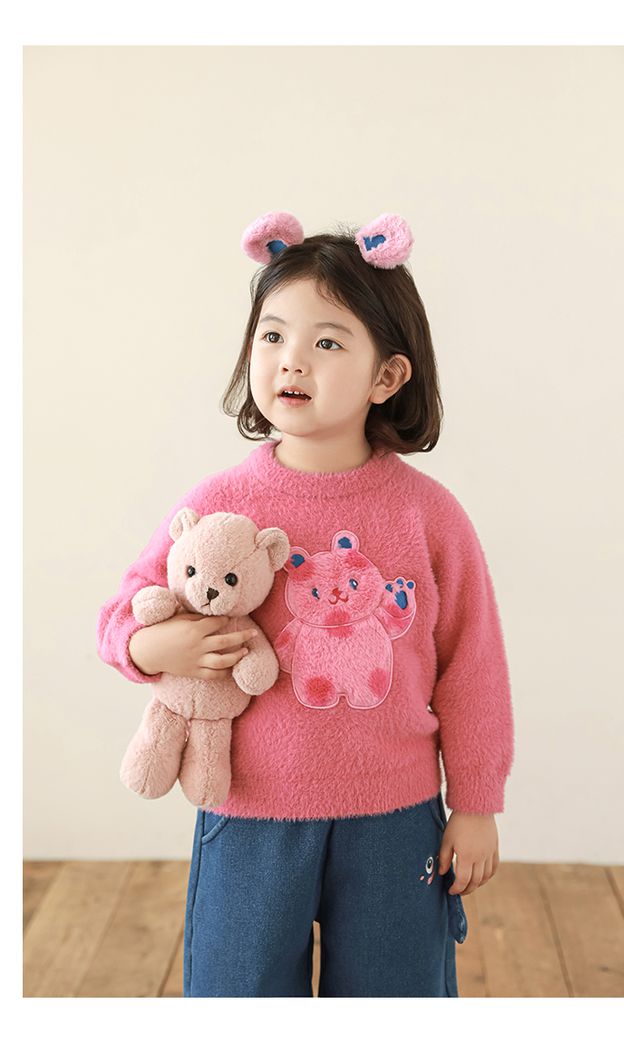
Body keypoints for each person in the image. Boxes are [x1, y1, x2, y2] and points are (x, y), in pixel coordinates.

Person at [96, 210, 515, 998]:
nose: (291, 359)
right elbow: (122, 615)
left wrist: (477, 803)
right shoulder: (220, 502)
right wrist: (158, 649)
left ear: (387, 376)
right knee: (239, 995)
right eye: (272, 335)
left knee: (396, 996)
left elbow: (473, 668)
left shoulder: (429, 515)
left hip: (395, 814)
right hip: (248, 810)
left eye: (327, 342)